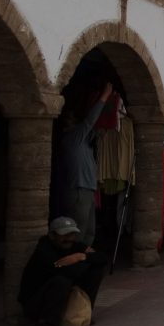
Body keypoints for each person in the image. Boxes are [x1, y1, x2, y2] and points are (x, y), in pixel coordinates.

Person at [18, 217, 107, 326]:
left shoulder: (74, 246)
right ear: (52, 235)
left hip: (62, 295)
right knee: (62, 281)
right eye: (64, 235)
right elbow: (65, 272)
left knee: (96, 270)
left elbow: (102, 258)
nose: (69, 238)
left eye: (72, 234)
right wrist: (81, 263)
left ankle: (83, 312)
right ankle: (48, 323)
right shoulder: (44, 250)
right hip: (36, 303)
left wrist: (80, 257)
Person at [58, 81, 113, 246]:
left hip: (87, 190)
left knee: (89, 232)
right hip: (79, 190)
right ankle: (73, 264)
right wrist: (104, 96)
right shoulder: (71, 137)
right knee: (79, 231)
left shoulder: (82, 141)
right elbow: (89, 121)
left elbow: (92, 128)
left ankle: (82, 264)